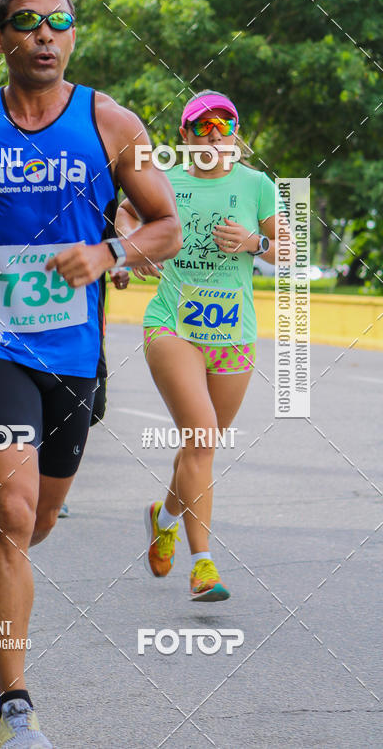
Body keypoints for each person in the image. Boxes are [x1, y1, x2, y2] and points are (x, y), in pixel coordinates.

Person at [0, 0, 181, 748]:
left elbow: (166, 226)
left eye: (59, 22)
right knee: (15, 513)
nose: (45, 35)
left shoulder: (112, 122)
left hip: (74, 351)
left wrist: (110, 252)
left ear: (73, 36)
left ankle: (0, 542)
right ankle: (15, 707)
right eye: (27, 23)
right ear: (0, 40)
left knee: (41, 519)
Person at [116, 90, 289, 601]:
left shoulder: (256, 185)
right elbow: (124, 213)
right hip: (172, 326)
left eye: (224, 126)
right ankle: (203, 565)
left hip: (234, 335)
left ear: (236, 135)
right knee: (202, 436)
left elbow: (290, 250)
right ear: (184, 136)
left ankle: (164, 517)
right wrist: (132, 250)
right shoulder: (165, 180)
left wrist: (255, 243)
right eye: (202, 126)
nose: (214, 135)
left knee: (200, 446)